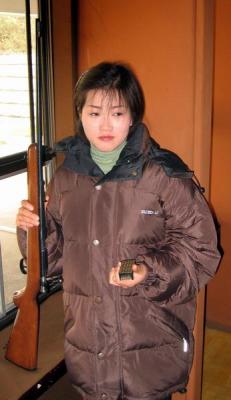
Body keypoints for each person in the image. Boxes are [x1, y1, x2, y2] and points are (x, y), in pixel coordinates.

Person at [16, 62, 220, 400]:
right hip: (88, 349)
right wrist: (33, 228)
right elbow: (53, 261)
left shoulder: (164, 174)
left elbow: (201, 251)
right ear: (80, 115)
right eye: (94, 113)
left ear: (133, 116)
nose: (106, 125)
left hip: (148, 351)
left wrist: (148, 270)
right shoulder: (66, 178)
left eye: (117, 113)